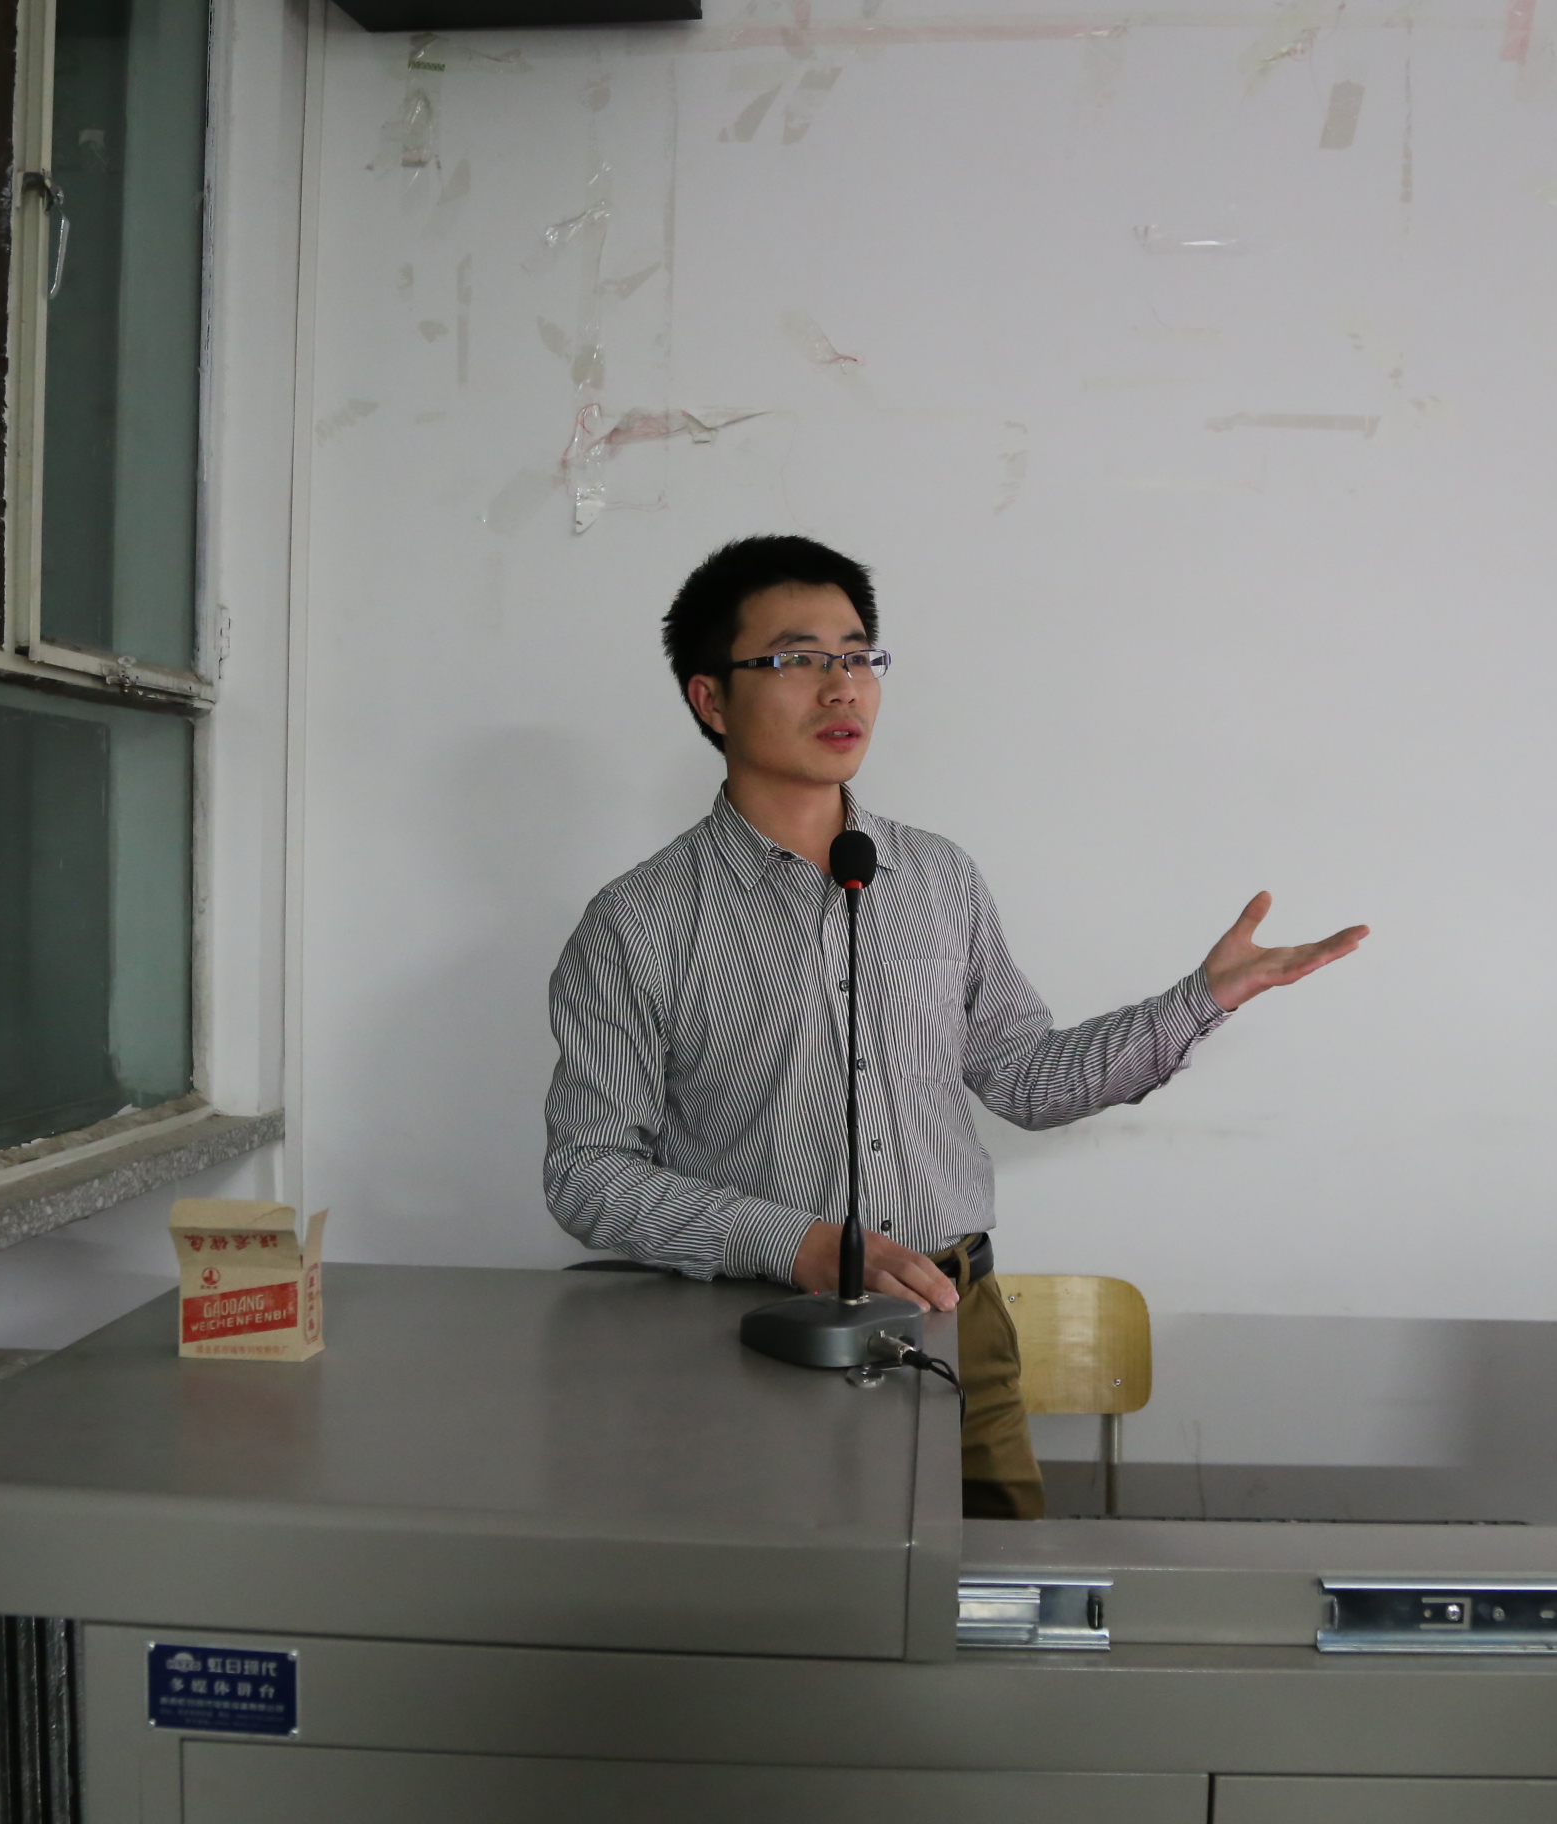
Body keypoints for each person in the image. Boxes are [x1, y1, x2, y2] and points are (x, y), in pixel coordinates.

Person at [543, 535, 1367, 1519]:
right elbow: (588, 1171)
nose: (842, 687)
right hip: (756, 1328)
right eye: (799, 658)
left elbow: (1024, 1078)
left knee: (999, 1581)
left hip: (955, 1316)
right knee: (787, 1593)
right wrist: (793, 1241)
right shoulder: (637, 921)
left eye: (859, 656)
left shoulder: (938, 878)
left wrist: (1201, 999)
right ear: (711, 699)